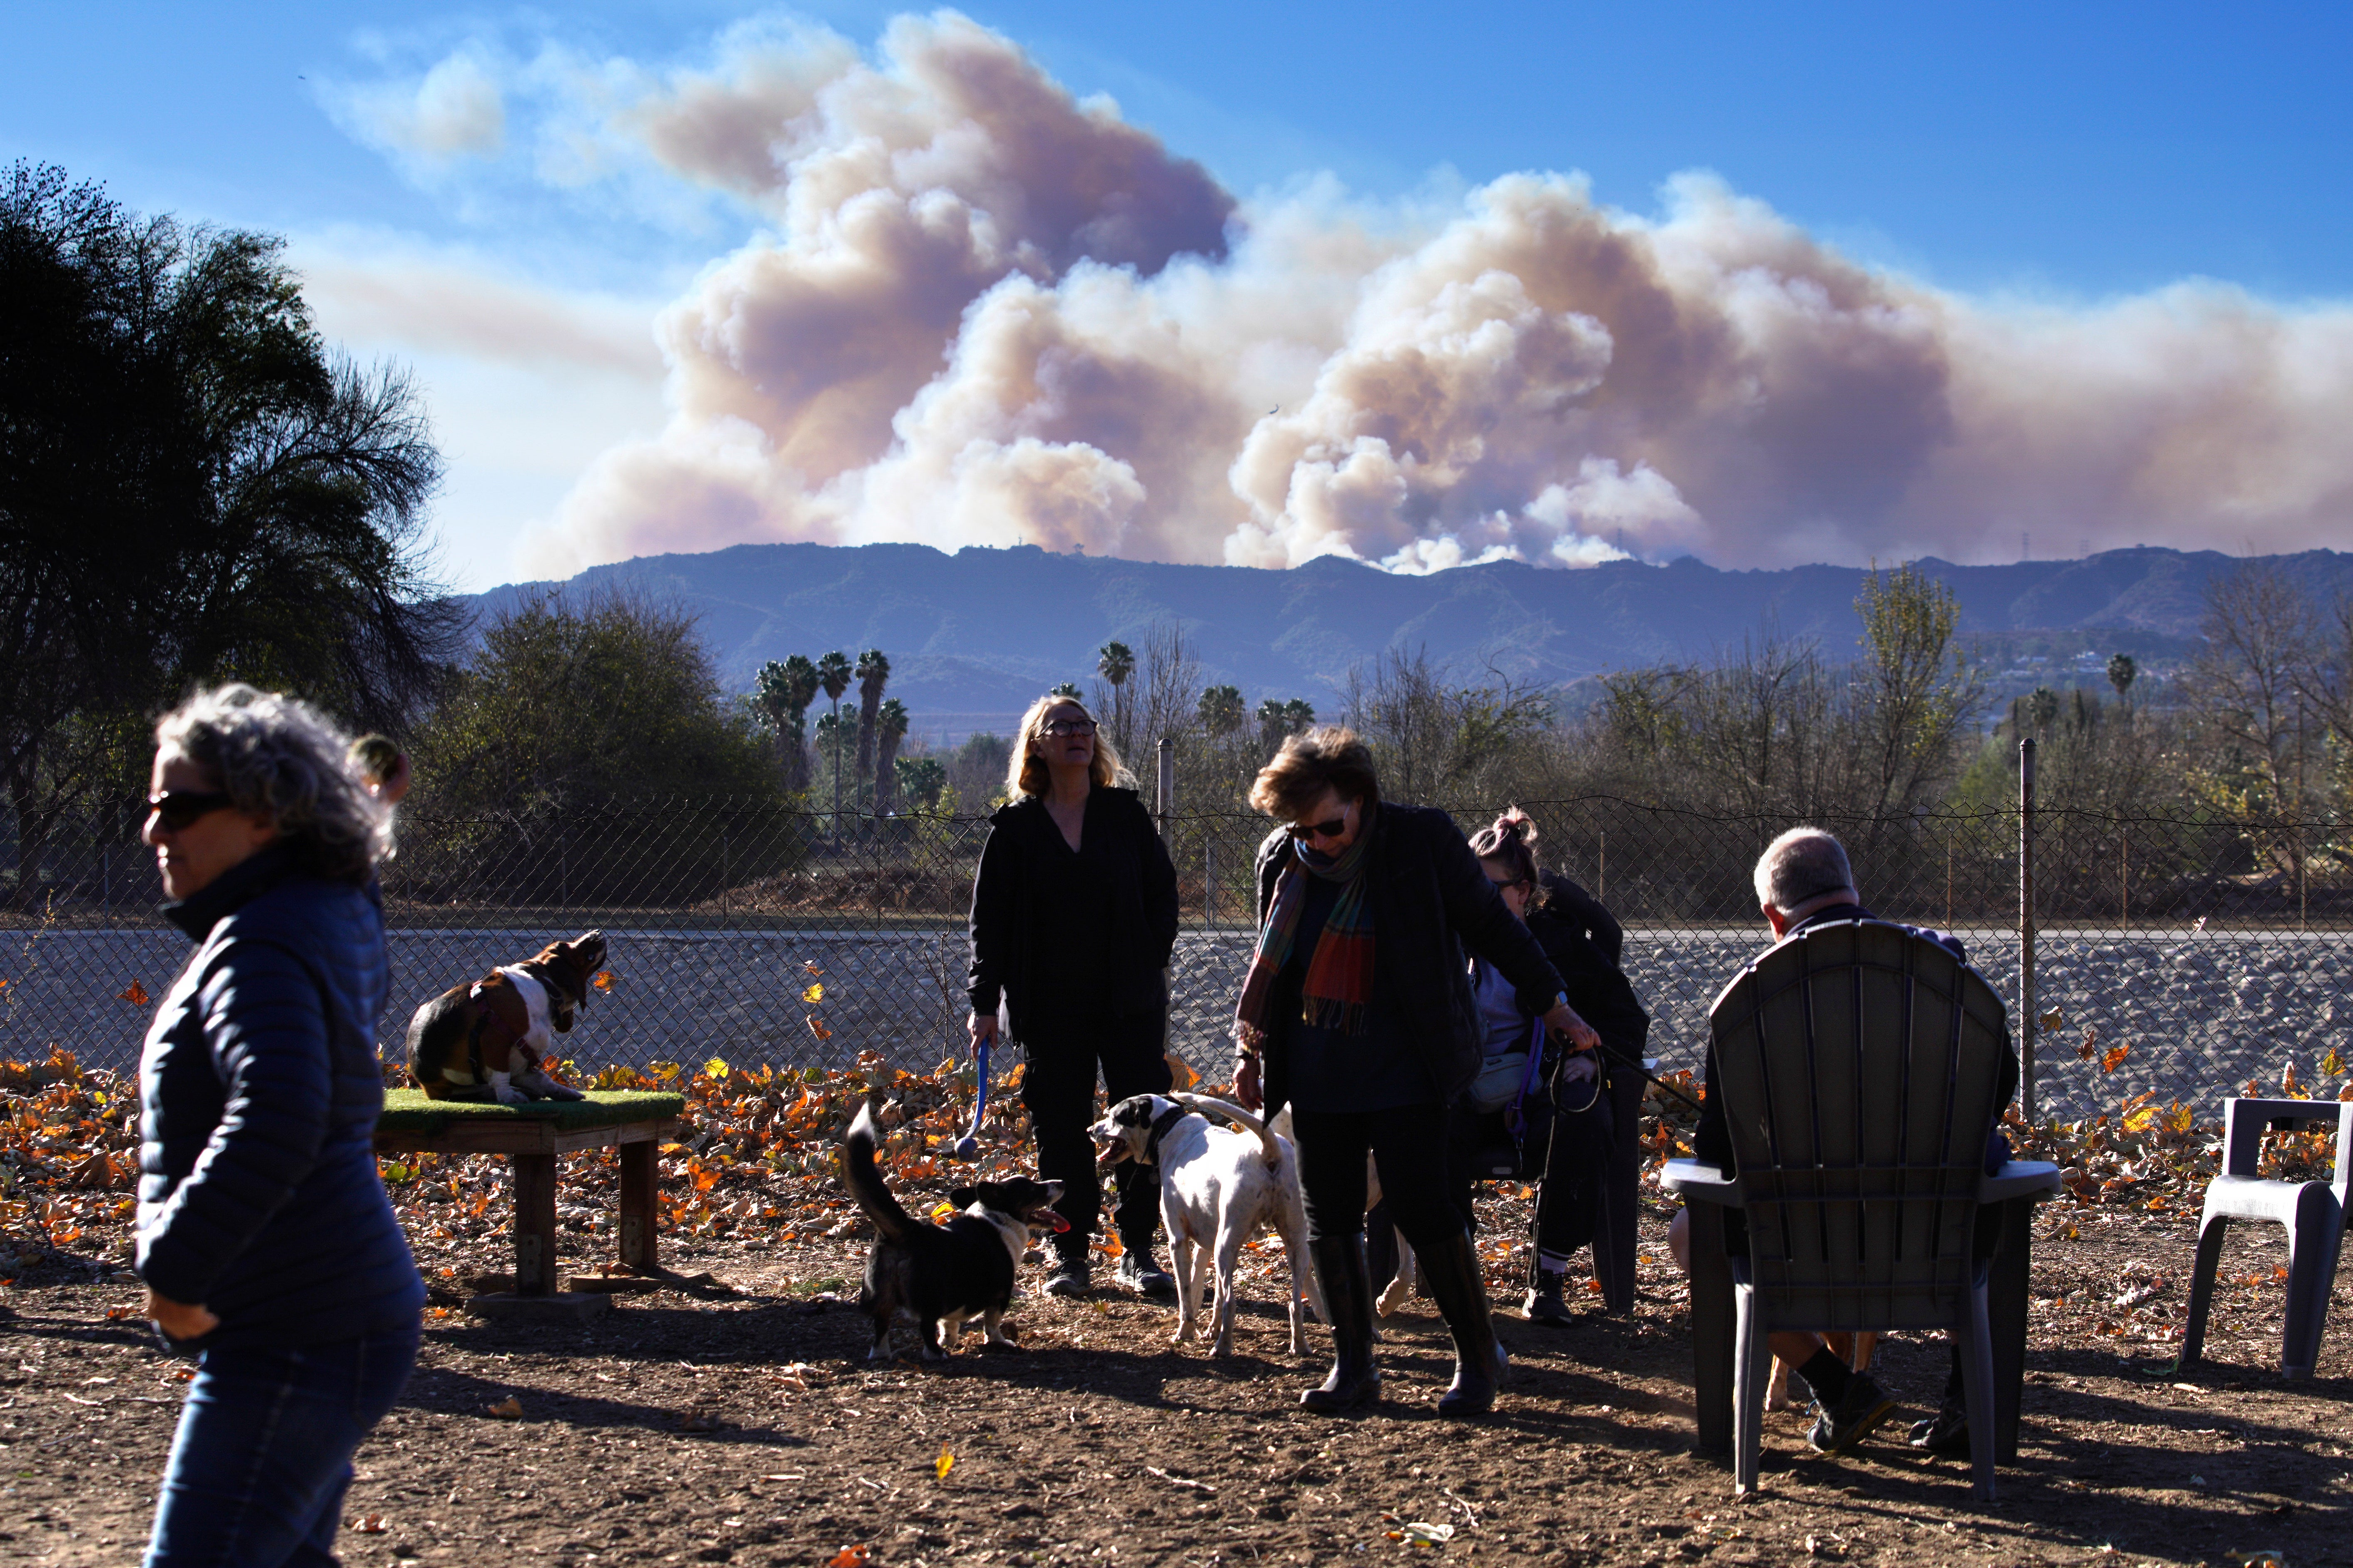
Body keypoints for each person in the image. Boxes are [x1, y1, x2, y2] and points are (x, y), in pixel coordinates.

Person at [136, 684, 426, 1568]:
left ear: (264, 814)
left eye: (180, 808)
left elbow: (282, 1107)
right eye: (153, 808)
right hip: (336, 1312)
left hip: (300, 1329)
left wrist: (175, 1269)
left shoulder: (260, 938)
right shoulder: (330, 906)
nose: (156, 831)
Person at [1231, 728, 1598, 1416]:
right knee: (1329, 1210)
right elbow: (1272, 971)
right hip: (1319, 1059)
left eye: (1330, 825)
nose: (1317, 841)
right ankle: (1355, 1366)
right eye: (1301, 829)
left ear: (1363, 799)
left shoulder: (1423, 840)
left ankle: (1479, 1352)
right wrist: (1251, 1054)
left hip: (1410, 1053)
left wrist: (1555, 1007)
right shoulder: (1285, 857)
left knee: (1424, 1202)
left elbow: (1495, 928)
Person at [1666, 826, 2017, 1457]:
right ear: (1854, 890)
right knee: (1993, 1183)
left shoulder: (1751, 995)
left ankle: (1833, 1386)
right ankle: (1968, 1400)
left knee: (1691, 1231)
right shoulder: (1941, 964)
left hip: (1801, 1238)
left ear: (1774, 917)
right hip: (1934, 1232)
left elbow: (1717, 1150)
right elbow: (1999, 1082)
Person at [967, 694, 1180, 1299]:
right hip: (1049, 1007)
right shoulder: (1014, 830)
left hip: (1130, 1002)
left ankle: (1138, 1250)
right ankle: (1071, 1252)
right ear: (1036, 743)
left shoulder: (1125, 816)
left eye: (1082, 724)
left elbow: (1164, 895)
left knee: (1141, 1121)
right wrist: (984, 1003)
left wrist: (1147, 955)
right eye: (1059, 726)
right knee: (1061, 1128)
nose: (1075, 734)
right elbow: (990, 925)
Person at [1458, 809, 1650, 1325]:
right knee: (1416, 1120)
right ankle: (1453, 1270)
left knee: (1585, 1119)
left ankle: (1548, 1278)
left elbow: (1625, 1017)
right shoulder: (1447, 942)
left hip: (1540, 1091)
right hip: (1461, 1092)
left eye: (1488, 889)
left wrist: (1590, 1060)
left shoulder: (1559, 942)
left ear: (1522, 891)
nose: (1472, 901)